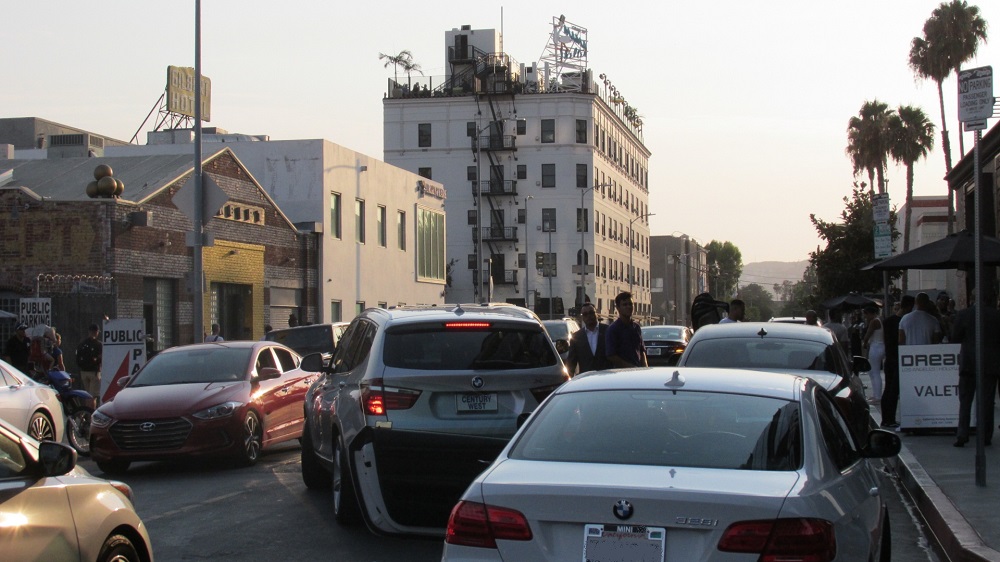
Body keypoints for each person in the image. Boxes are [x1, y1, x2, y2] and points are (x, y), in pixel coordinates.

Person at [950, 288, 1000, 447]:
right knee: (987, 401)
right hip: (990, 364)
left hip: (969, 363)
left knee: (965, 400)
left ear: (972, 298)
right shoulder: (996, 316)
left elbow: (955, 337)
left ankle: (962, 434)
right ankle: (985, 435)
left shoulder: (964, 314)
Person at [881, 295, 914, 429]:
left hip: (890, 358)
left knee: (889, 389)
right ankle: (889, 419)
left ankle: (887, 418)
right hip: (896, 358)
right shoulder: (902, 321)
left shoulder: (888, 321)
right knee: (893, 390)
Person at [565, 303, 610, 375]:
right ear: (582, 317)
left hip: (606, 378)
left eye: (591, 313)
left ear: (596, 314)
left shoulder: (608, 331)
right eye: (585, 314)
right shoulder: (576, 337)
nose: (589, 316)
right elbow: (571, 363)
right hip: (586, 380)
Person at [606, 292, 647, 368]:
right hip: (621, 374)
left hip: (638, 373)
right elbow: (611, 355)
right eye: (624, 304)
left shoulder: (636, 327)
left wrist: (645, 368)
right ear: (618, 308)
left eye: (630, 304)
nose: (628, 307)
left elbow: (641, 351)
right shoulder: (613, 329)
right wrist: (630, 367)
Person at [862, 306, 884, 404]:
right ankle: (876, 394)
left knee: (874, 372)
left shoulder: (874, 321)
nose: (865, 317)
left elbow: (867, 335)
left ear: (870, 313)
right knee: (873, 371)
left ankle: (877, 396)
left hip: (876, 346)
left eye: (865, 314)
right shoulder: (880, 320)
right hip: (880, 345)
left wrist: (864, 343)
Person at [76, 323, 103, 404]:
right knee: (92, 397)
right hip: (94, 372)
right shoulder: (98, 344)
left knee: (87, 395)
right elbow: (101, 357)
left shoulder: (82, 343)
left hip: (83, 372)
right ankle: (91, 414)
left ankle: (86, 413)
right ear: (96, 332)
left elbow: (77, 357)